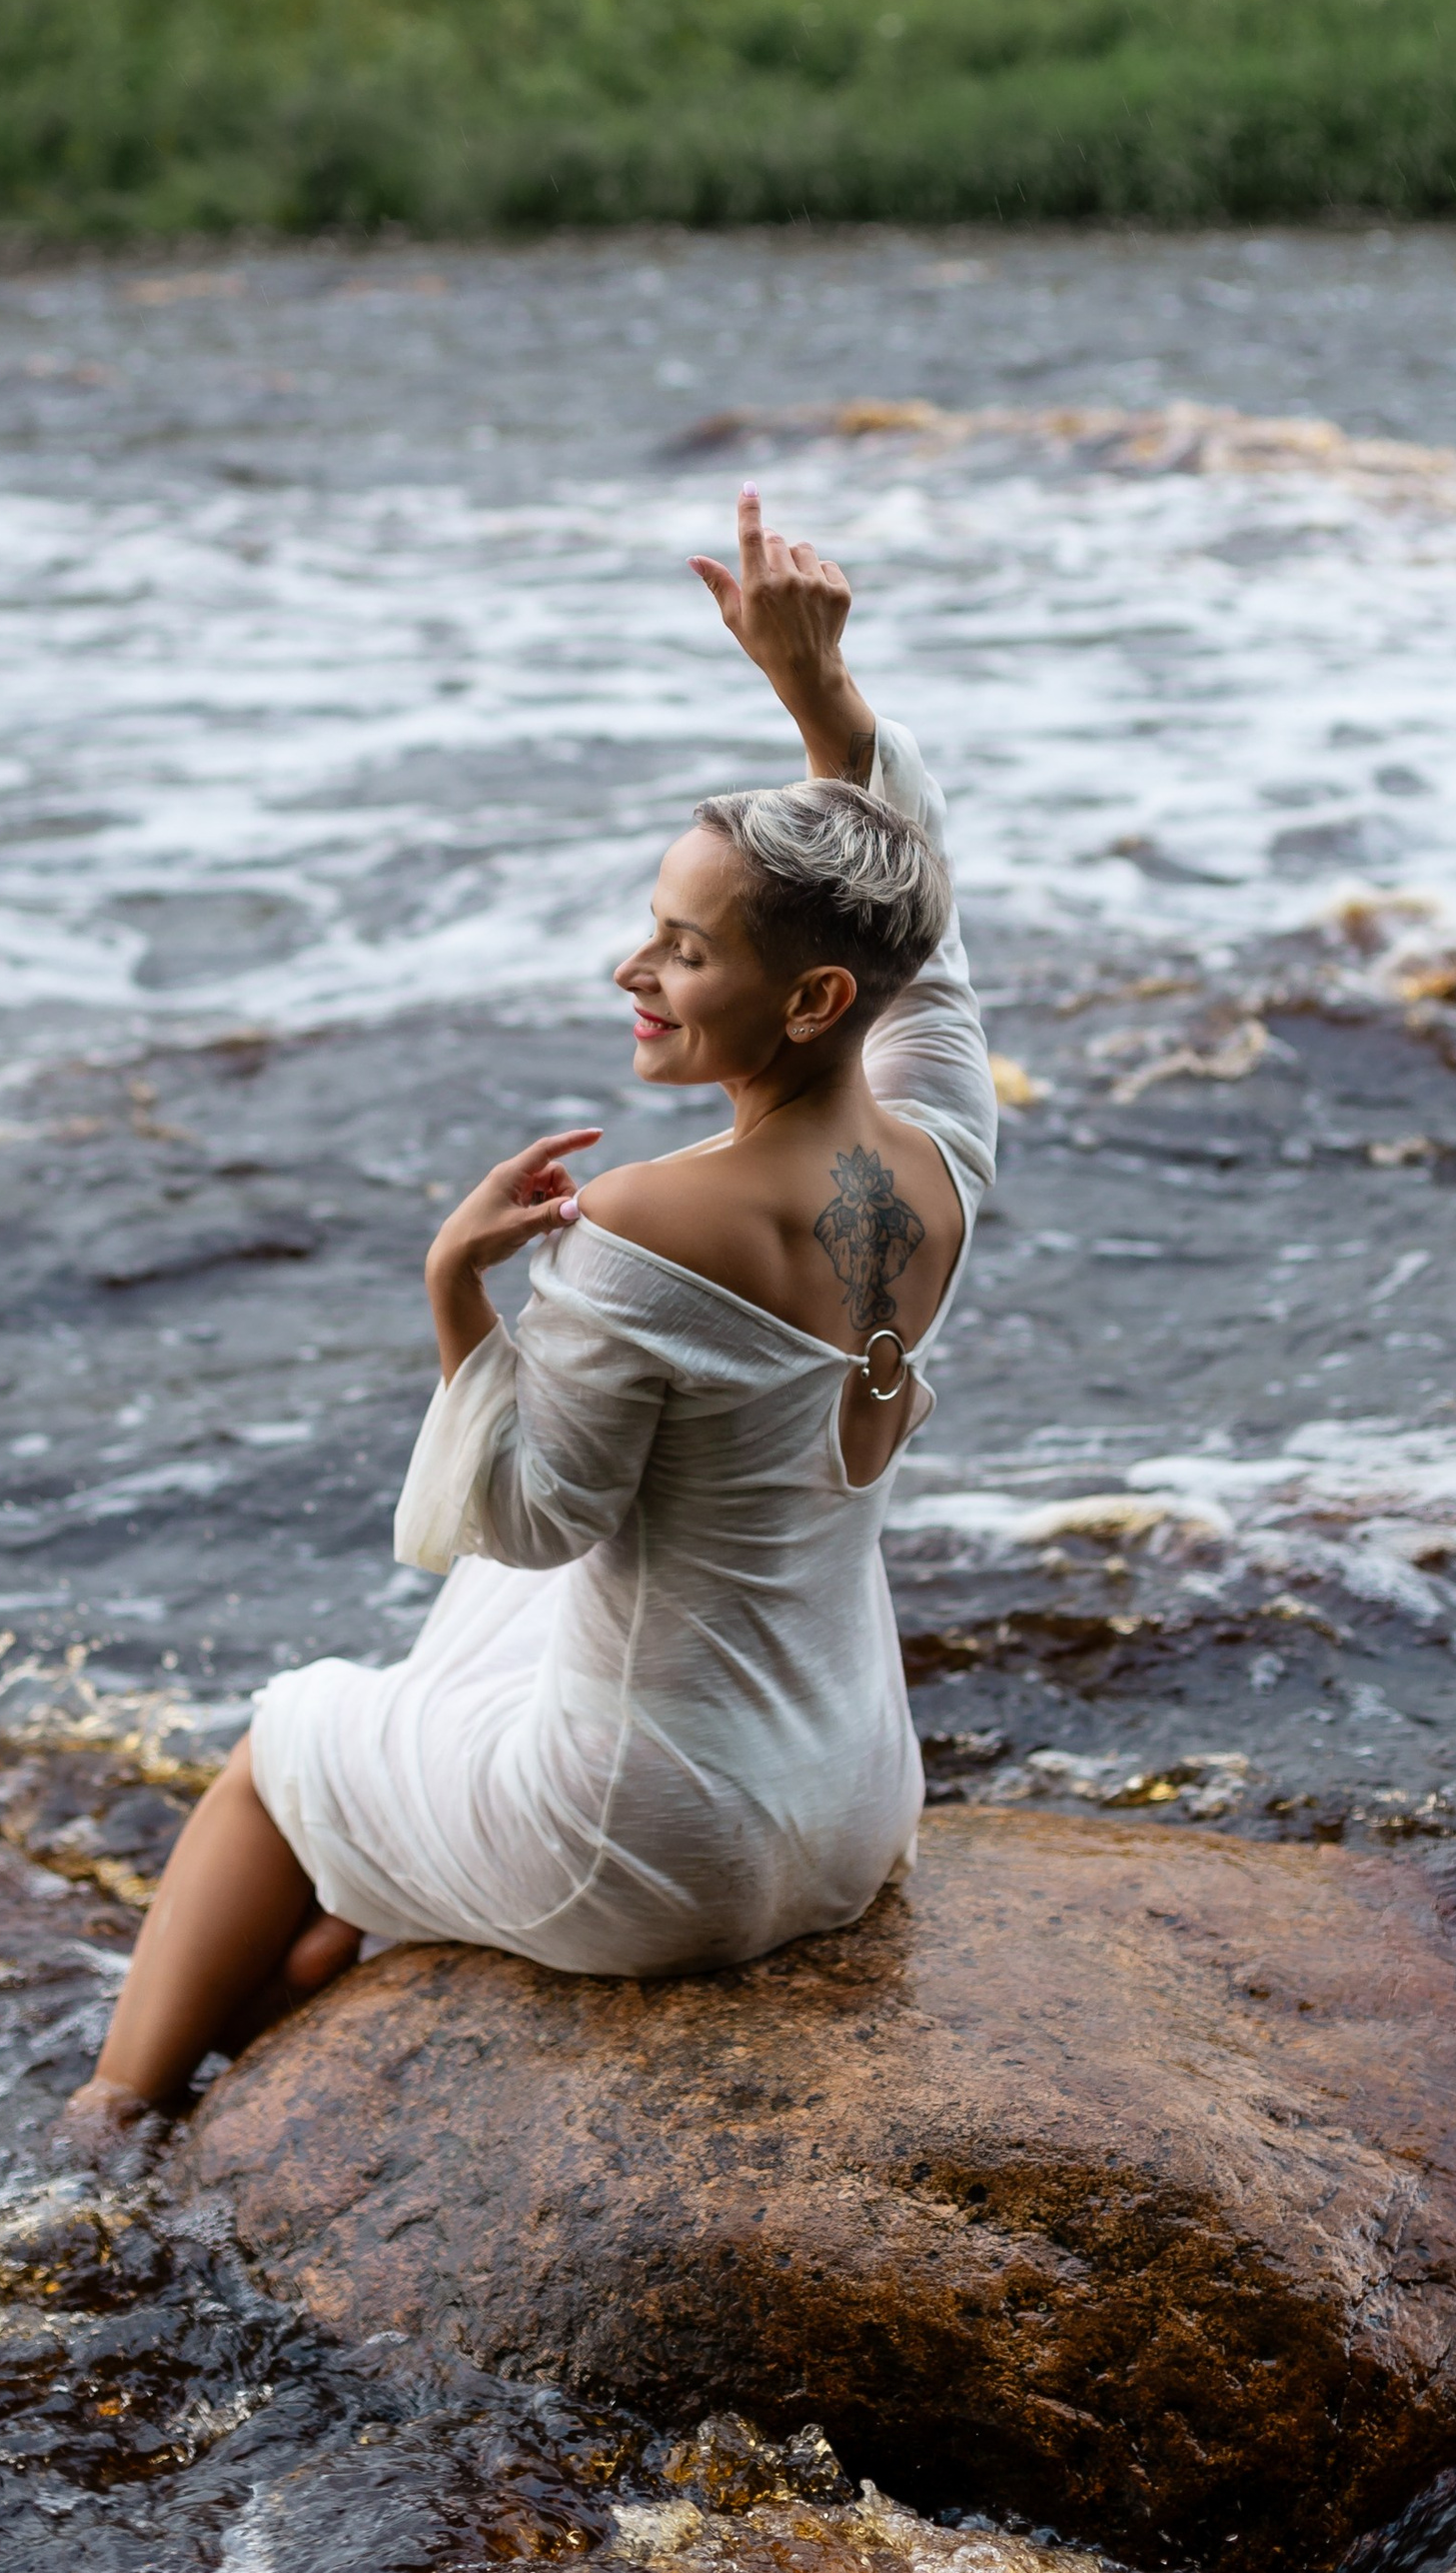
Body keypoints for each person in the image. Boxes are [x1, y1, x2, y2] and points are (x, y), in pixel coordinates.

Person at [58, 486, 997, 2159]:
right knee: (487, 1646)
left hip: (661, 1848)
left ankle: (109, 2122)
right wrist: (820, 696)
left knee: (290, 1739)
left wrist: (456, 1294)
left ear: (813, 996)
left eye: (683, 950)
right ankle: (322, 1968)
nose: (630, 970)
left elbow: (530, 1514)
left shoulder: (642, 1222)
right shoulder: (943, 1155)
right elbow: (933, 931)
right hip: (846, 1810)